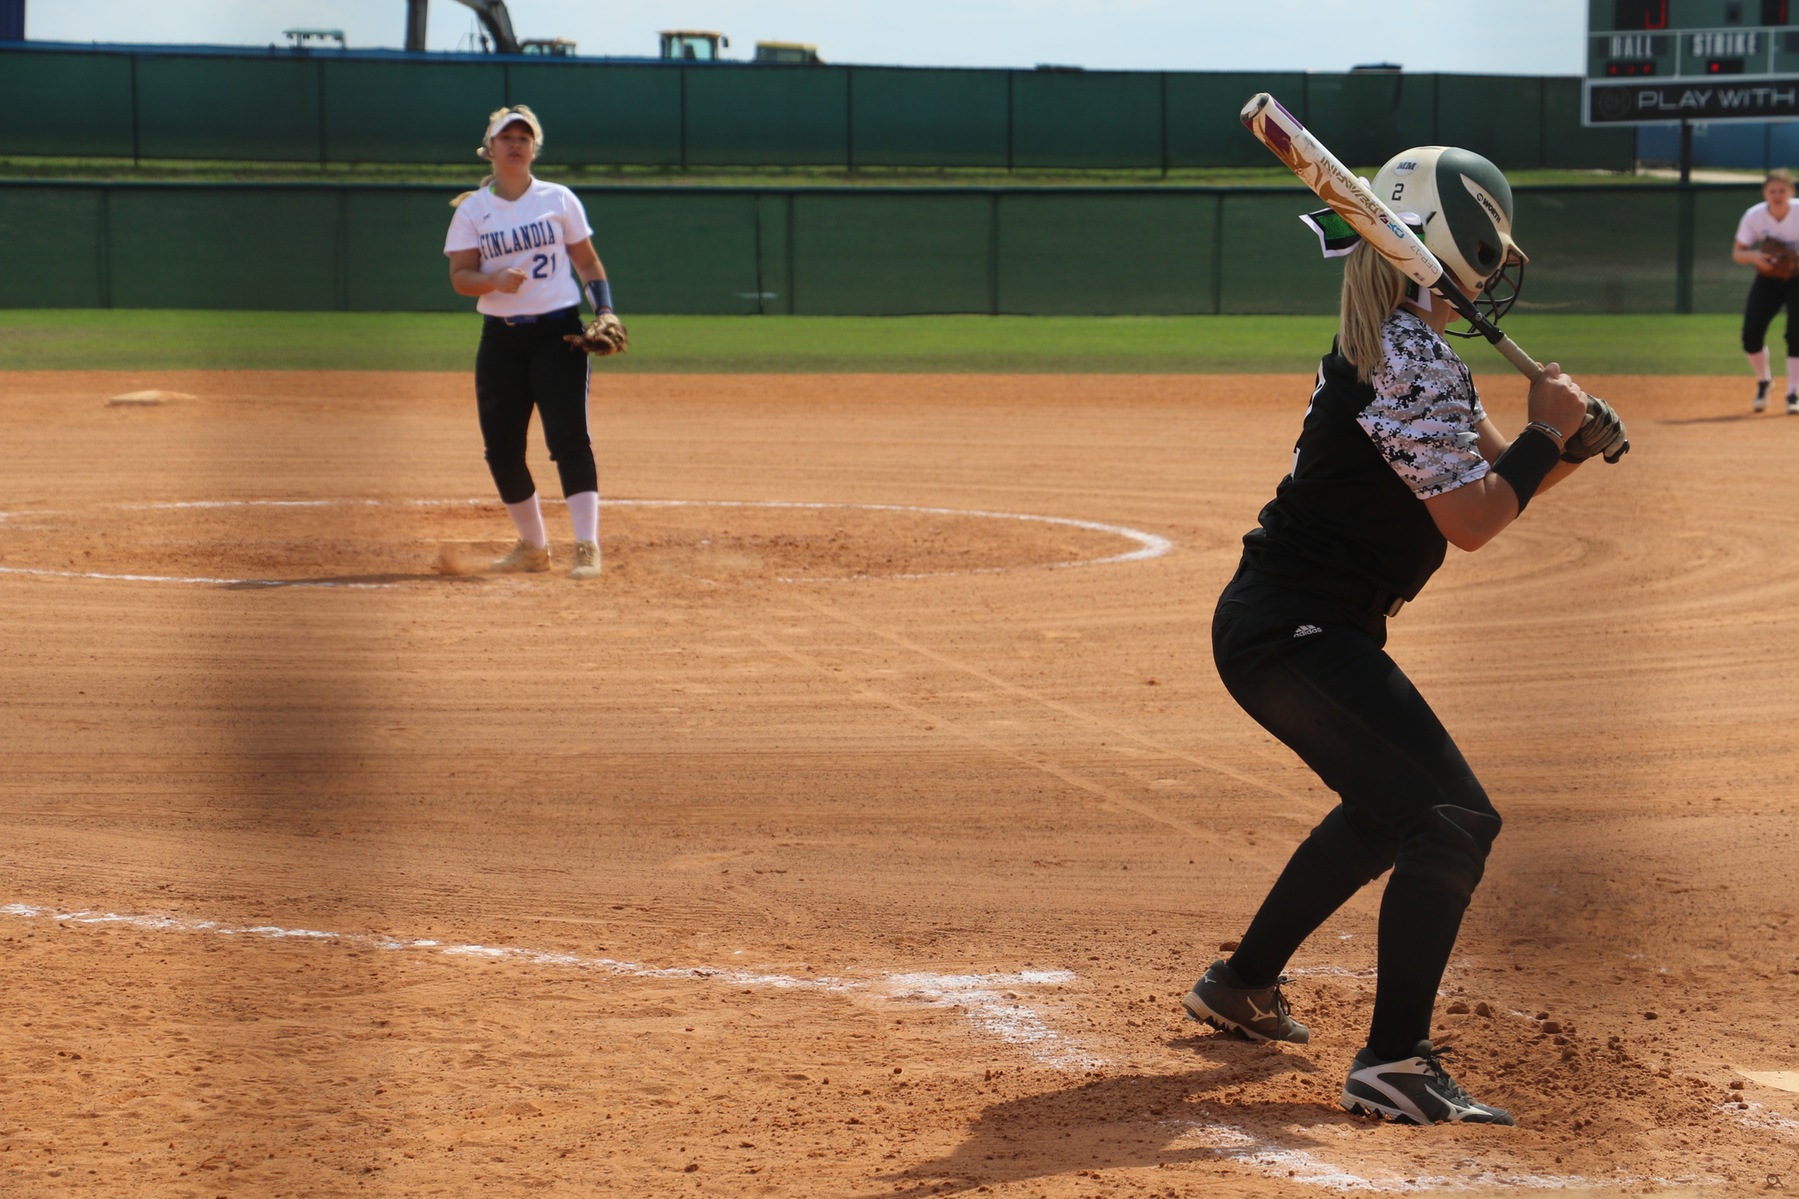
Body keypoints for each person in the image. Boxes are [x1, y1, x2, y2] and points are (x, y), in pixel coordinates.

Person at [1180, 146, 1627, 1126]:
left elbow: (1490, 484)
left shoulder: (1406, 347)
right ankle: (1392, 1061)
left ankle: (1240, 983)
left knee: (1392, 811)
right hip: (1292, 633)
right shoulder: (1406, 354)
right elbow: (1468, 522)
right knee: (1452, 818)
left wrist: (1564, 447)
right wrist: (1550, 434)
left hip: (1290, 626)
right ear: (1454, 244)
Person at [444, 104, 618, 580]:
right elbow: (460, 277)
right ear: (490, 149)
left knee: (568, 439)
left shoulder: (558, 199)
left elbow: (586, 262)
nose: (515, 144)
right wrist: (493, 279)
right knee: (501, 449)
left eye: (524, 137)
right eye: (507, 137)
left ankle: (586, 546)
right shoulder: (474, 210)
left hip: (556, 334)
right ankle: (533, 548)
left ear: (534, 147)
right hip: (500, 340)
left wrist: (604, 309)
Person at [1731, 168, 1799, 415]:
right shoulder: (1755, 216)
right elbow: (1738, 253)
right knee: (1751, 334)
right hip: (1768, 278)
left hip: (1798, 279)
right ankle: (1764, 380)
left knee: (1796, 334)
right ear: (1765, 193)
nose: (1777, 194)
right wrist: (1755, 256)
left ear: (1791, 191)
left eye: (1783, 190)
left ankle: (1793, 392)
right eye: (1772, 190)